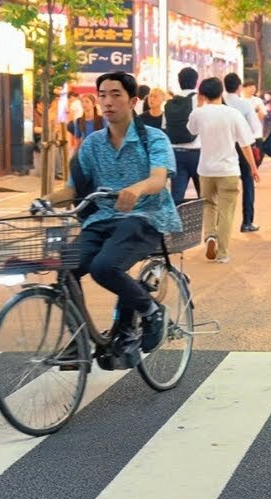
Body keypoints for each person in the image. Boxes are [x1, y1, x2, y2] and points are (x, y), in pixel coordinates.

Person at [33, 72, 181, 364]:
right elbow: (74, 188)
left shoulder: (153, 138)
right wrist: (43, 201)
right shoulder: (92, 143)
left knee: (104, 266)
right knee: (67, 268)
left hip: (146, 217)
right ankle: (79, 339)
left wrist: (136, 190)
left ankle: (151, 311)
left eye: (116, 94)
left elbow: (158, 179)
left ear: (133, 101)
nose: (107, 102)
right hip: (100, 220)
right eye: (103, 95)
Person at [188, 77, 254, 264]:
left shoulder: (198, 113)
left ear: (203, 94)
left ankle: (209, 236)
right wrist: (253, 168)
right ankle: (222, 252)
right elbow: (245, 144)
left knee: (209, 205)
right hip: (229, 170)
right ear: (221, 92)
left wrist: (199, 105)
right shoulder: (233, 114)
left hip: (206, 169)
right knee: (226, 212)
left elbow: (191, 130)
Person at [224, 73, 263, 233]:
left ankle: (222, 224)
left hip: (225, 147)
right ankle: (247, 222)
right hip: (243, 147)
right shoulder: (245, 105)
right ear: (239, 87)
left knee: (225, 185)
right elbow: (254, 128)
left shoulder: (221, 103)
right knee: (247, 183)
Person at [166, 67, 202, 203]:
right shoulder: (199, 100)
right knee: (204, 195)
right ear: (196, 81)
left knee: (176, 196)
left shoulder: (170, 103)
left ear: (179, 81)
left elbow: (165, 126)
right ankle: (206, 224)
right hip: (197, 153)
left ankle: (175, 223)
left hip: (176, 153)